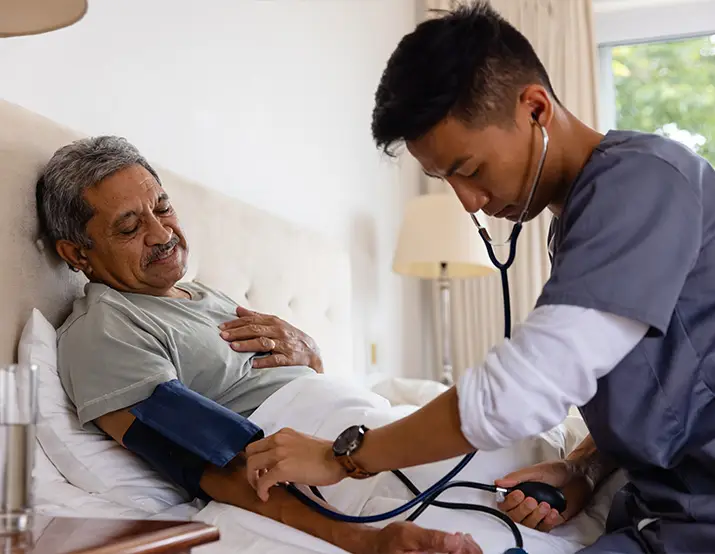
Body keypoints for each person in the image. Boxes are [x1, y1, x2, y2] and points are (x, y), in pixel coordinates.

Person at [243, 2, 715, 553]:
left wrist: (342, 456)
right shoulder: (582, 221)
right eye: (444, 179)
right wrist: (582, 468)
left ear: (534, 107)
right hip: (661, 515)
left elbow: (521, 389)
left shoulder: (643, 183)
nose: (470, 201)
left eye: (468, 169)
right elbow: (658, 398)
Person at [37, 136, 481, 554]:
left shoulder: (206, 295)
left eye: (163, 207)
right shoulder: (105, 328)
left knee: (528, 464)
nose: (161, 233)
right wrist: (366, 541)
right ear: (77, 254)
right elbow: (213, 462)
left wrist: (314, 357)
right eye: (130, 227)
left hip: (373, 432)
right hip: (335, 471)